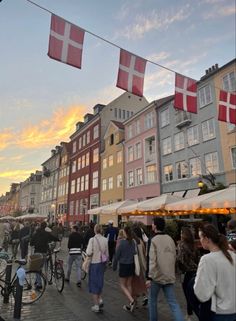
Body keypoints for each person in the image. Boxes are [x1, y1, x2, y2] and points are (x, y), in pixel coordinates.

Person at [192, 224, 236, 321]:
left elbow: (202, 294)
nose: (200, 240)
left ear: (207, 239)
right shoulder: (233, 255)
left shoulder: (207, 260)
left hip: (218, 313)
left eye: (200, 237)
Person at [147, 217, 185, 321]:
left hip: (156, 276)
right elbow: (174, 256)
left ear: (155, 226)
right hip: (169, 275)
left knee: (152, 301)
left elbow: (151, 260)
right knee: (173, 303)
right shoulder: (170, 239)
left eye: (153, 223)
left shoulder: (153, 240)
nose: (152, 225)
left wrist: (149, 277)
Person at [177, 227, 199, 321]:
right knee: (194, 294)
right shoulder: (194, 245)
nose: (180, 234)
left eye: (181, 233)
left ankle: (189, 315)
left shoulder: (181, 245)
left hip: (186, 272)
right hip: (196, 271)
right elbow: (197, 258)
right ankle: (194, 313)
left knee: (187, 294)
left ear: (184, 234)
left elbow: (181, 259)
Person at [113, 226, 136, 312]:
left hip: (123, 265)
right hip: (131, 265)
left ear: (125, 233)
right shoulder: (133, 242)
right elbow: (134, 253)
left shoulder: (122, 243)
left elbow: (117, 256)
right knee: (129, 284)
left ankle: (132, 301)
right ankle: (129, 304)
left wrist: (114, 266)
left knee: (122, 285)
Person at [86, 224, 108, 313]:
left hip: (94, 263)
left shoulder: (92, 240)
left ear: (95, 230)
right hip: (102, 263)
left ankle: (96, 305)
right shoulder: (105, 239)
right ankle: (100, 299)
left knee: (94, 284)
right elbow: (107, 254)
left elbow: (88, 252)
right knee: (99, 282)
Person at [30, 221, 58, 289]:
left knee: (37, 268)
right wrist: (58, 239)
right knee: (42, 267)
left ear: (40, 226)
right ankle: (39, 280)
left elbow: (31, 243)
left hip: (37, 252)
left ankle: (39, 284)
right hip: (44, 252)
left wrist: (34, 243)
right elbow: (54, 238)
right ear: (45, 227)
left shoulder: (36, 233)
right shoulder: (47, 234)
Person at [132, 226, 148, 307]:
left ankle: (134, 301)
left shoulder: (134, 241)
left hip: (136, 264)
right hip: (142, 263)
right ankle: (144, 296)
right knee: (142, 281)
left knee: (134, 282)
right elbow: (145, 253)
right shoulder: (141, 241)